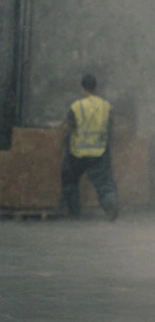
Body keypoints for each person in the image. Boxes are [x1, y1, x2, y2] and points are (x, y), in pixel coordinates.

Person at [60, 74, 119, 220]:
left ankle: (73, 211)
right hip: (99, 151)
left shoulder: (76, 106)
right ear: (95, 87)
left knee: (70, 180)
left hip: (77, 152)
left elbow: (69, 126)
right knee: (104, 182)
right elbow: (111, 126)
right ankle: (110, 204)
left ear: (82, 88)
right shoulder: (106, 105)